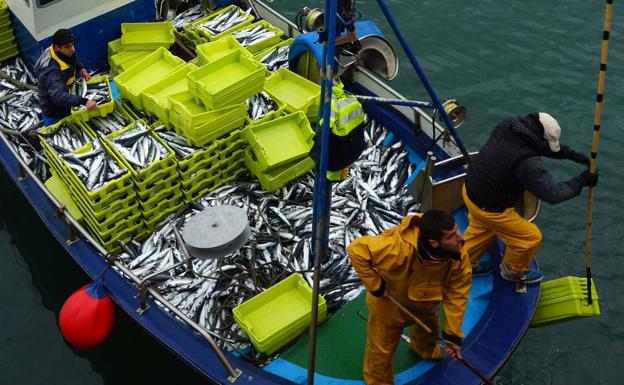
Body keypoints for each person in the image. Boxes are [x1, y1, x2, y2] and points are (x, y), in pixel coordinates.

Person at [463, 112, 599, 283]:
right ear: (541, 140)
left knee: (481, 229)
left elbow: (537, 146)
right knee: (530, 237)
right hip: (491, 207)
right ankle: (512, 272)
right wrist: (581, 181)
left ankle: (463, 263)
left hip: (470, 188)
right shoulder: (526, 161)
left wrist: (571, 155)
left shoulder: (509, 125)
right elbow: (552, 194)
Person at [348, 209, 472, 385]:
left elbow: (458, 291)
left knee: (429, 333)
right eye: (451, 236)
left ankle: (424, 350)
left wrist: (453, 335)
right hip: (390, 307)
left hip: (428, 304)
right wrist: (376, 286)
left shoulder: (458, 251)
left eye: (457, 230)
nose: (460, 238)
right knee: (380, 351)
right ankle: (378, 381)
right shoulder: (398, 248)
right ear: (434, 243)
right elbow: (357, 250)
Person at [34, 28, 97, 126]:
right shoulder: (52, 72)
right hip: (55, 111)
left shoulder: (65, 52)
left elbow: (73, 58)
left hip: (68, 96)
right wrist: (84, 101)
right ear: (56, 48)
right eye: (67, 46)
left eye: (72, 44)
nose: (72, 48)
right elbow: (58, 97)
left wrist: (81, 69)